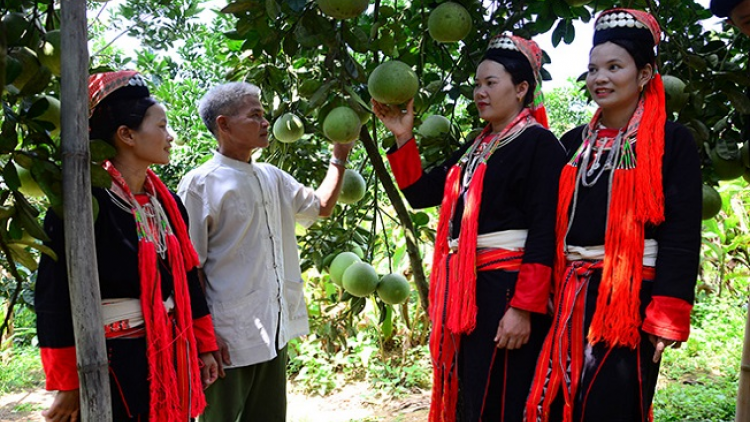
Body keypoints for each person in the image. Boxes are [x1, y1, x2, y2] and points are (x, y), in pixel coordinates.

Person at [372, 34, 565, 422]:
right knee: (476, 396)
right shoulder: (479, 145)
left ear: (522, 88)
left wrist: (523, 308)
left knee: (508, 398)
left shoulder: (539, 145)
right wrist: (402, 135)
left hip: (508, 290)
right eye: (477, 84)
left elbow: (546, 230)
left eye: (490, 83)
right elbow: (423, 194)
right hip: (470, 292)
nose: (480, 92)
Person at [525, 9, 702, 422]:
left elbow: (681, 233)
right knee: (555, 402)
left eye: (613, 67)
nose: (599, 78)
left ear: (644, 75)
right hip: (569, 293)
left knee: (612, 407)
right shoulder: (572, 144)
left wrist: (667, 314)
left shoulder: (671, 142)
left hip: (629, 299)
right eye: (592, 69)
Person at [35, 70, 219, 422]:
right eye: (161, 126)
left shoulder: (167, 205)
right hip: (110, 359)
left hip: (170, 347)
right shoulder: (82, 204)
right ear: (126, 135)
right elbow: (53, 293)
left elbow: (187, 276)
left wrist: (204, 344)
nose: (170, 136)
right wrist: (68, 382)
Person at [177, 82, 354, 422]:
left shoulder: (273, 177)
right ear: (224, 125)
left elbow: (321, 207)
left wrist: (340, 155)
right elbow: (189, 268)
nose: (264, 123)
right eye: (255, 115)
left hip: (273, 329)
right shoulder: (201, 183)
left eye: (264, 114)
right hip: (228, 337)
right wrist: (205, 336)